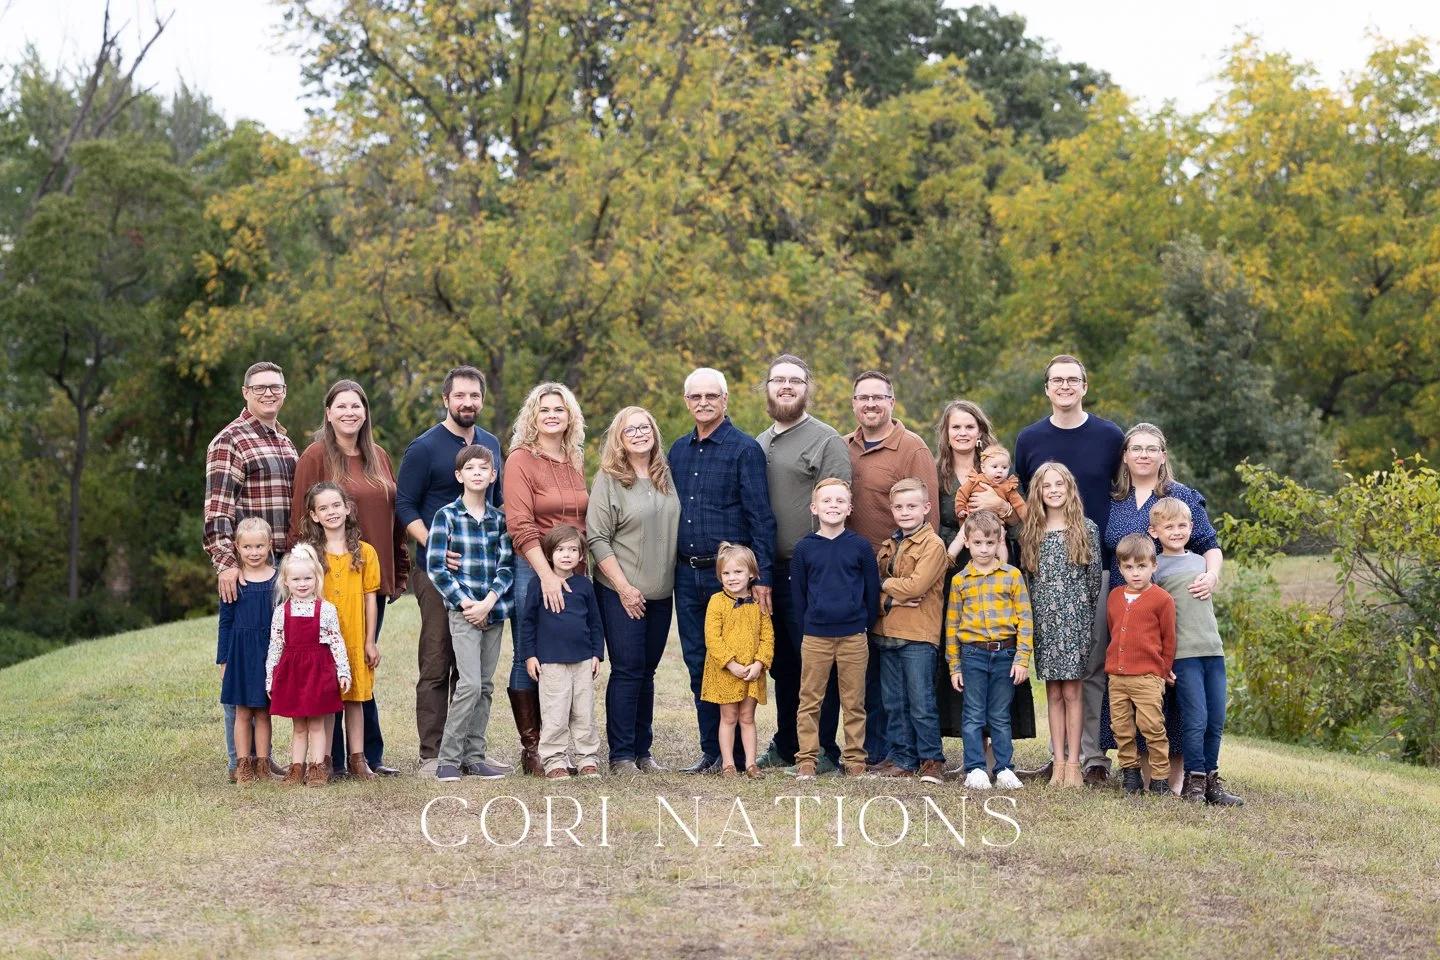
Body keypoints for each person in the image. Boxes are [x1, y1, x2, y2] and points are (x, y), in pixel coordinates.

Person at [1012, 355, 1124, 786]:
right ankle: (1059, 758)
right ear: (1046, 388)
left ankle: (1090, 759)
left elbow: (1124, 486)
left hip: (1093, 565)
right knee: (1058, 679)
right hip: (1046, 569)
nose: (1064, 386)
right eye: (1056, 380)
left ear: (1084, 385)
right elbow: (1022, 497)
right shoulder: (1030, 438)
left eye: (1072, 379)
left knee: (1090, 669)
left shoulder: (1109, 436)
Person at [289, 379, 408, 777]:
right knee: (328, 666)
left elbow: (395, 518)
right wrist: (302, 576)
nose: (349, 412)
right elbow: (299, 518)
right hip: (327, 579)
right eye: (341, 406)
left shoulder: (378, 456)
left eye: (356, 405)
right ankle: (332, 760)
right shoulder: (315, 456)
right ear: (328, 412)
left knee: (360, 663)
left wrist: (399, 568)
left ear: (365, 412)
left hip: (369, 576)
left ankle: (368, 757)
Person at [395, 365, 505, 778]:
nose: (467, 402)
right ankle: (433, 753)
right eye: (460, 395)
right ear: (446, 399)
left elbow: (497, 503)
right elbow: (404, 505)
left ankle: (469, 753)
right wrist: (436, 547)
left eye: (474, 396)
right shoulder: (424, 447)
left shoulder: (491, 444)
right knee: (437, 658)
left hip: (481, 573)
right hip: (437, 573)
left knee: (474, 670)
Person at [1104, 422, 1223, 793]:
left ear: (1163, 455)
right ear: (1125, 455)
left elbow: (1209, 543)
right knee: (1137, 688)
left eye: (1151, 448)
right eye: (1136, 448)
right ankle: (1138, 770)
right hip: (1125, 607)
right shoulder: (1114, 498)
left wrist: (1212, 575)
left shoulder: (1180, 496)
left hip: (1171, 608)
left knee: (1174, 690)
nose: (1144, 455)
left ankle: (1178, 775)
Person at [668, 367, 777, 774]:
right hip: (687, 573)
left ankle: (737, 753)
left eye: (711, 396)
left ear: (725, 399)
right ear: (686, 402)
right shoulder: (677, 451)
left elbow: (761, 518)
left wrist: (762, 578)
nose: (703, 402)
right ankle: (712, 752)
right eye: (695, 396)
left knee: (738, 659)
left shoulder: (745, 449)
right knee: (699, 661)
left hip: (734, 583)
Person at [754, 355, 850, 775]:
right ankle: (787, 743)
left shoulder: (826, 440)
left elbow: (838, 505)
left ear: (808, 388)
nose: (787, 386)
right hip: (767, 571)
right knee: (784, 665)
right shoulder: (759, 443)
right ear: (767, 388)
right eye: (778, 380)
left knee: (816, 662)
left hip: (811, 569)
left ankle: (823, 749)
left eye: (795, 380)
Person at [204, 360, 298, 784]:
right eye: (259, 388)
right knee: (242, 658)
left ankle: (264, 757)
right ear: (245, 392)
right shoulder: (230, 441)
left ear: (284, 392)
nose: (268, 394)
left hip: (281, 570)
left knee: (269, 659)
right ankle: (237, 760)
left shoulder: (285, 441)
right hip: (247, 567)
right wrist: (226, 563)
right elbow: (217, 510)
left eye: (275, 387)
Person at [932, 400, 1037, 764]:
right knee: (967, 655)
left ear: (980, 433)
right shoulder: (939, 475)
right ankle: (971, 750)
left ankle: (994, 752)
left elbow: (1024, 526)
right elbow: (931, 526)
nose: (962, 433)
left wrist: (1002, 507)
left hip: (997, 572)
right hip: (955, 572)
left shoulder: (998, 470)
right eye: (955, 427)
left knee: (998, 650)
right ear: (946, 433)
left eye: (969, 426)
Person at [844, 370, 938, 767]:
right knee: (872, 673)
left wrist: (896, 582)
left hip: (898, 575)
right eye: (863, 397)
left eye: (878, 397)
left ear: (891, 402)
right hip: (856, 575)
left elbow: (929, 516)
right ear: (854, 404)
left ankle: (915, 754)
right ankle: (881, 750)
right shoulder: (843, 446)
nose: (870, 404)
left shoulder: (912, 448)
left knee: (907, 679)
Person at [586, 406, 679, 775]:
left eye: (645, 427)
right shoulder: (609, 480)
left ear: (654, 432)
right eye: (631, 430)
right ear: (619, 439)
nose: (639, 434)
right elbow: (597, 538)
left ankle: (643, 751)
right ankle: (622, 755)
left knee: (648, 672)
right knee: (627, 670)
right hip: (619, 592)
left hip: (662, 594)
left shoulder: (666, 475)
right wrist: (624, 588)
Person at [503, 382, 590, 775]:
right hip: (534, 567)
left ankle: (565, 746)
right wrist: (547, 576)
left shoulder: (574, 460)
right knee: (530, 650)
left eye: (559, 409)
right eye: (544, 409)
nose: (552, 415)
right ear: (532, 417)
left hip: (574, 569)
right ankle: (533, 749)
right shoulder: (521, 460)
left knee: (567, 653)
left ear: (570, 416)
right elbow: (520, 524)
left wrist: (574, 571)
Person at [426, 445, 515, 783]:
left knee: (486, 685)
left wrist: (488, 603)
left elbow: (506, 567)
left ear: (493, 475)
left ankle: (475, 757)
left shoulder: (499, 520)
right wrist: (467, 604)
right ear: (459, 475)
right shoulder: (446, 516)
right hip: (463, 613)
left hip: (493, 612)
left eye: (484, 468)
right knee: (470, 684)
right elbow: (437, 568)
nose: (477, 473)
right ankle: (448, 759)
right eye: (470, 468)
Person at [1149, 497, 1243, 806]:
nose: (1176, 532)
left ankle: (1212, 780)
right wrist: (1163, 662)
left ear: (1192, 527)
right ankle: (1194, 781)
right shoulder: (1155, 569)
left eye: (1182, 525)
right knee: (1196, 718)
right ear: (1154, 531)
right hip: (1183, 655)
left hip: (1212, 650)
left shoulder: (1202, 563)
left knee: (1216, 718)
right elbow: (1154, 620)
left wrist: (1212, 576)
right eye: (1169, 527)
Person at [1017, 462, 1101, 789]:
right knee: (1053, 690)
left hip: (1075, 619)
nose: (1053, 491)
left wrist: (1081, 616)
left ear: (1069, 488)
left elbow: (1093, 582)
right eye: (1046, 485)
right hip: (1045, 621)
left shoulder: (1085, 528)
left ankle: (1074, 764)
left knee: (1073, 690)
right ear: (1037, 492)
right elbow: (1029, 580)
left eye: (1059, 484)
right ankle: (1058, 764)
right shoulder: (1031, 532)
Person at [791, 478, 880, 779]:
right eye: (826, 501)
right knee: (810, 700)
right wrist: (808, 627)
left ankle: (855, 760)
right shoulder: (804, 549)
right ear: (814, 508)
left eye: (840, 501)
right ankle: (807, 759)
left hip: (853, 636)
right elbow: (799, 596)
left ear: (850, 508)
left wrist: (861, 625)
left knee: (854, 702)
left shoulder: (860, 547)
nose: (833, 506)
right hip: (816, 636)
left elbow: (871, 593)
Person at [297, 481, 381, 781]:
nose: (331, 512)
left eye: (336, 505)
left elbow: (371, 599)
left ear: (347, 508)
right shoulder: (310, 555)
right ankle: (325, 761)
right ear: (314, 516)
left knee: (355, 698)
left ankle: (358, 760)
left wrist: (370, 641)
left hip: (355, 637)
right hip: (321, 642)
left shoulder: (366, 552)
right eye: (323, 508)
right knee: (326, 701)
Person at [945, 510, 1033, 791]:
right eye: (978, 543)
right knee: (972, 713)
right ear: (967, 543)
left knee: (1000, 714)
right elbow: (952, 625)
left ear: (999, 542)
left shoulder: (1012, 576)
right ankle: (975, 768)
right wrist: (954, 666)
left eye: (990, 543)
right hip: (972, 654)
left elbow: (1025, 619)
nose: (984, 549)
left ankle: (1004, 767)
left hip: (1005, 654)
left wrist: (1022, 659)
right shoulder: (960, 580)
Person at [869, 478, 948, 785]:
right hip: (886, 631)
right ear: (891, 510)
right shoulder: (888, 545)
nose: (905, 512)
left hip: (918, 635)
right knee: (893, 702)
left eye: (912, 506)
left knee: (921, 701)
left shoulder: (933, 545)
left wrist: (883, 584)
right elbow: (870, 590)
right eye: (899, 507)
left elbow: (916, 587)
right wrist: (890, 596)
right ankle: (902, 758)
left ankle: (931, 759)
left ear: (926, 508)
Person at [517, 525, 604, 779]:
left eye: (573, 550)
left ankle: (587, 758)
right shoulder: (538, 584)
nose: (567, 555)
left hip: (583, 660)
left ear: (581, 555)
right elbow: (527, 623)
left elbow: (595, 622)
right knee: (555, 712)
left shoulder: (585, 585)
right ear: (549, 554)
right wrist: (530, 656)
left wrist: (597, 654)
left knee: (584, 712)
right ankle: (554, 760)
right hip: (551, 661)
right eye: (560, 549)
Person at [266, 545, 351, 788]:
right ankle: (296, 769)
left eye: (307, 578)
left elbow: (337, 642)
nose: (302, 584)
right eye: (296, 579)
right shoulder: (281, 612)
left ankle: (317, 769)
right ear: (286, 581)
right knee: (299, 726)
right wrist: (270, 677)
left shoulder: (326, 609)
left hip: (317, 673)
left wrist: (343, 671)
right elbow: (275, 646)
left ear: (317, 579)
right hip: (293, 674)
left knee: (316, 723)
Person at [1105, 532, 1176, 797]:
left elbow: (1169, 639)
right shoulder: (1115, 596)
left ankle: (1159, 779)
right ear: (1120, 568)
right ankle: (1131, 775)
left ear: (1154, 565)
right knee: (1121, 728)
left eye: (1142, 566)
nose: (1135, 573)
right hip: (1117, 676)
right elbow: (1114, 630)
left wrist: (1162, 671)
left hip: (1147, 676)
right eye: (1129, 567)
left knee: (1152, 728)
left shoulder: (1162, 599)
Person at [702, 542, 774, 779]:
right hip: (726, 672)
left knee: (747, 717)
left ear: (751, 573)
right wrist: (731, 664)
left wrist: (759, 663)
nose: (732, 578)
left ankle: (751, 764)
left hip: (752, 671)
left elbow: (767, 637)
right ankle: (728, 764)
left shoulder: (758, 603)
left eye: (738, 572)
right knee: (729, 717)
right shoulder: (717, 601)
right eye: (726, 573)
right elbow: (712, 638)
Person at [218, 518, 279, 785]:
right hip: (241, 654)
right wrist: (223, 660)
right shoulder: (233, 581)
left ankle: (263, 765)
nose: (254, 552)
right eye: (247, 547)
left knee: (264, 711)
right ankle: (243, 766)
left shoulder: (279, 579)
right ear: (237, 547)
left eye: (259, 546)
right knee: (242, 711)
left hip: (269, 653)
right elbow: (225, 623)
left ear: (270, 545)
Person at [953, 444, 1027, 552]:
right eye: (995, 467)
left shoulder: (1008, 487)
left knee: (1001, 540)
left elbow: (1020, 505)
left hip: (995, 523)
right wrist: (960, 508)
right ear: (983, 468)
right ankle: (950, 556)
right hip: (972, 520)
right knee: (961, 536)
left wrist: (1028, 519)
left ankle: (1001, 562)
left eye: (1004, 467)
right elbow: (961, 493)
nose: (1000, 471)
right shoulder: (976, 480)